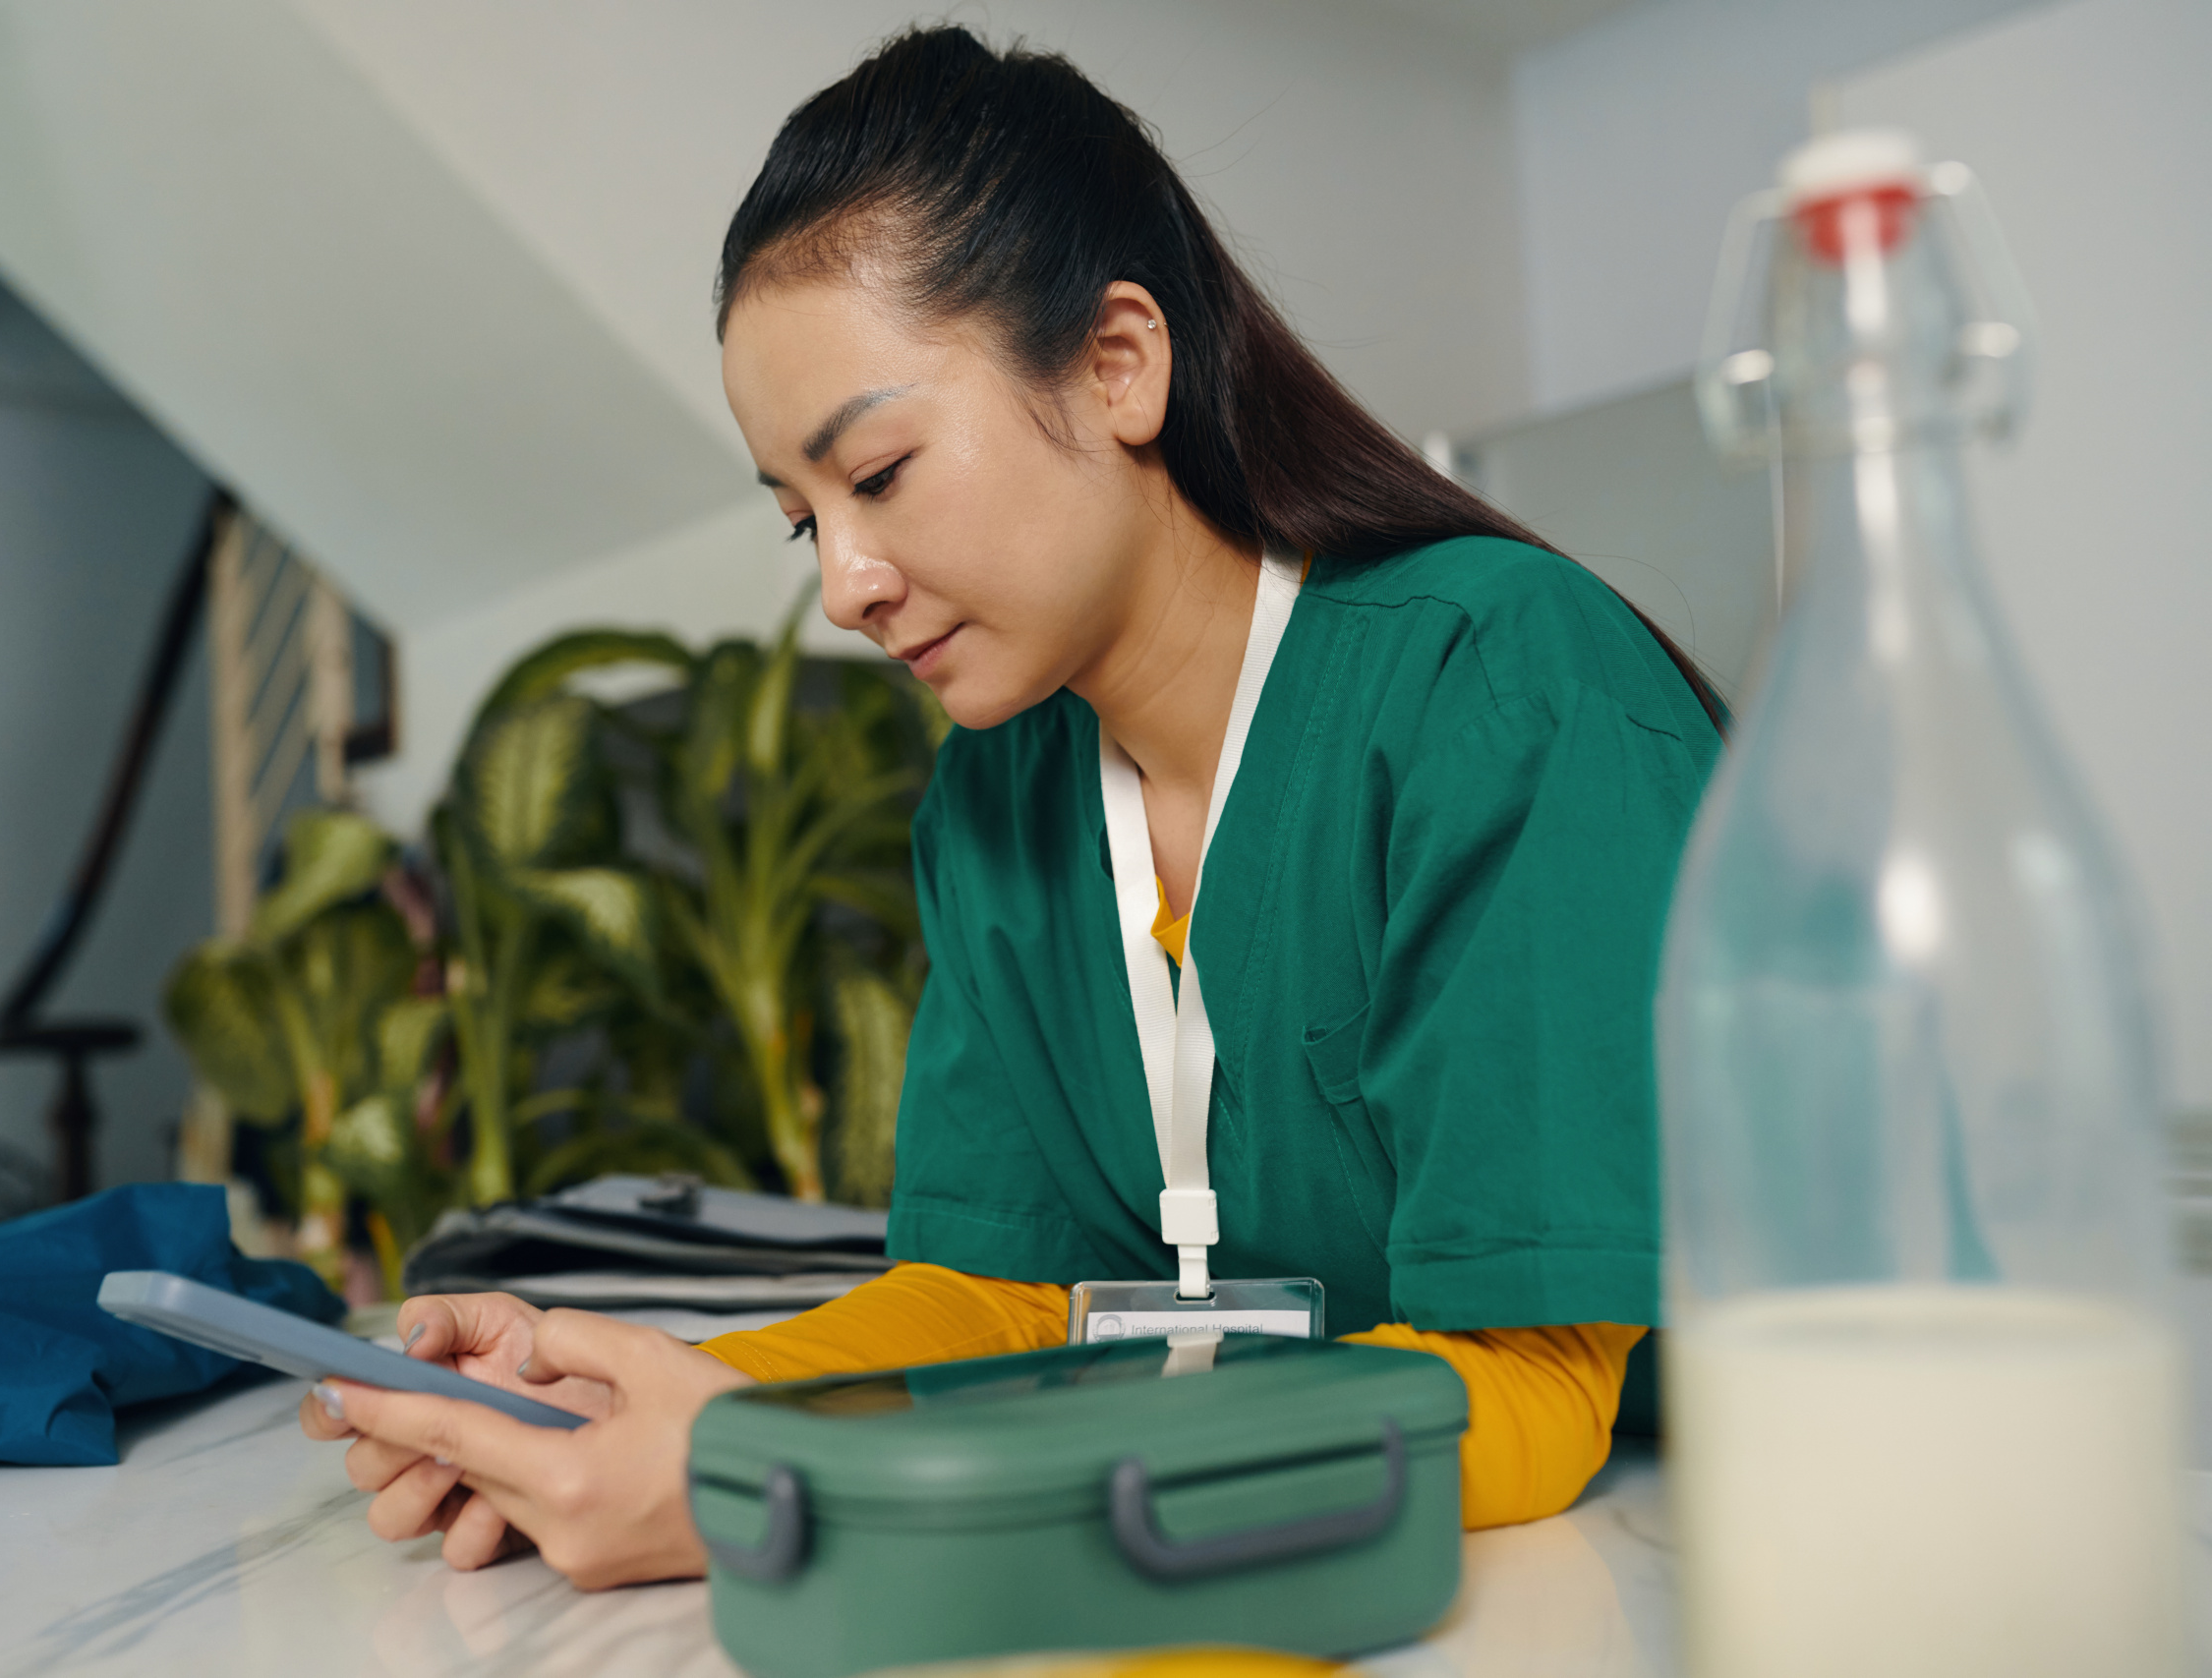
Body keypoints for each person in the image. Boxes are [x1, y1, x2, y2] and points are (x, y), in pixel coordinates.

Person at [301, 25, 1722, 1590]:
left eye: (883, 474)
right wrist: (665, 1399)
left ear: (1119, 364)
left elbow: (1533, 1398)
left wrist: (807, 1485)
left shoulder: (1498, 688)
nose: (846, 584)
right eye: (803, 524)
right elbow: (997, 1303)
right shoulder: (1001, 791)